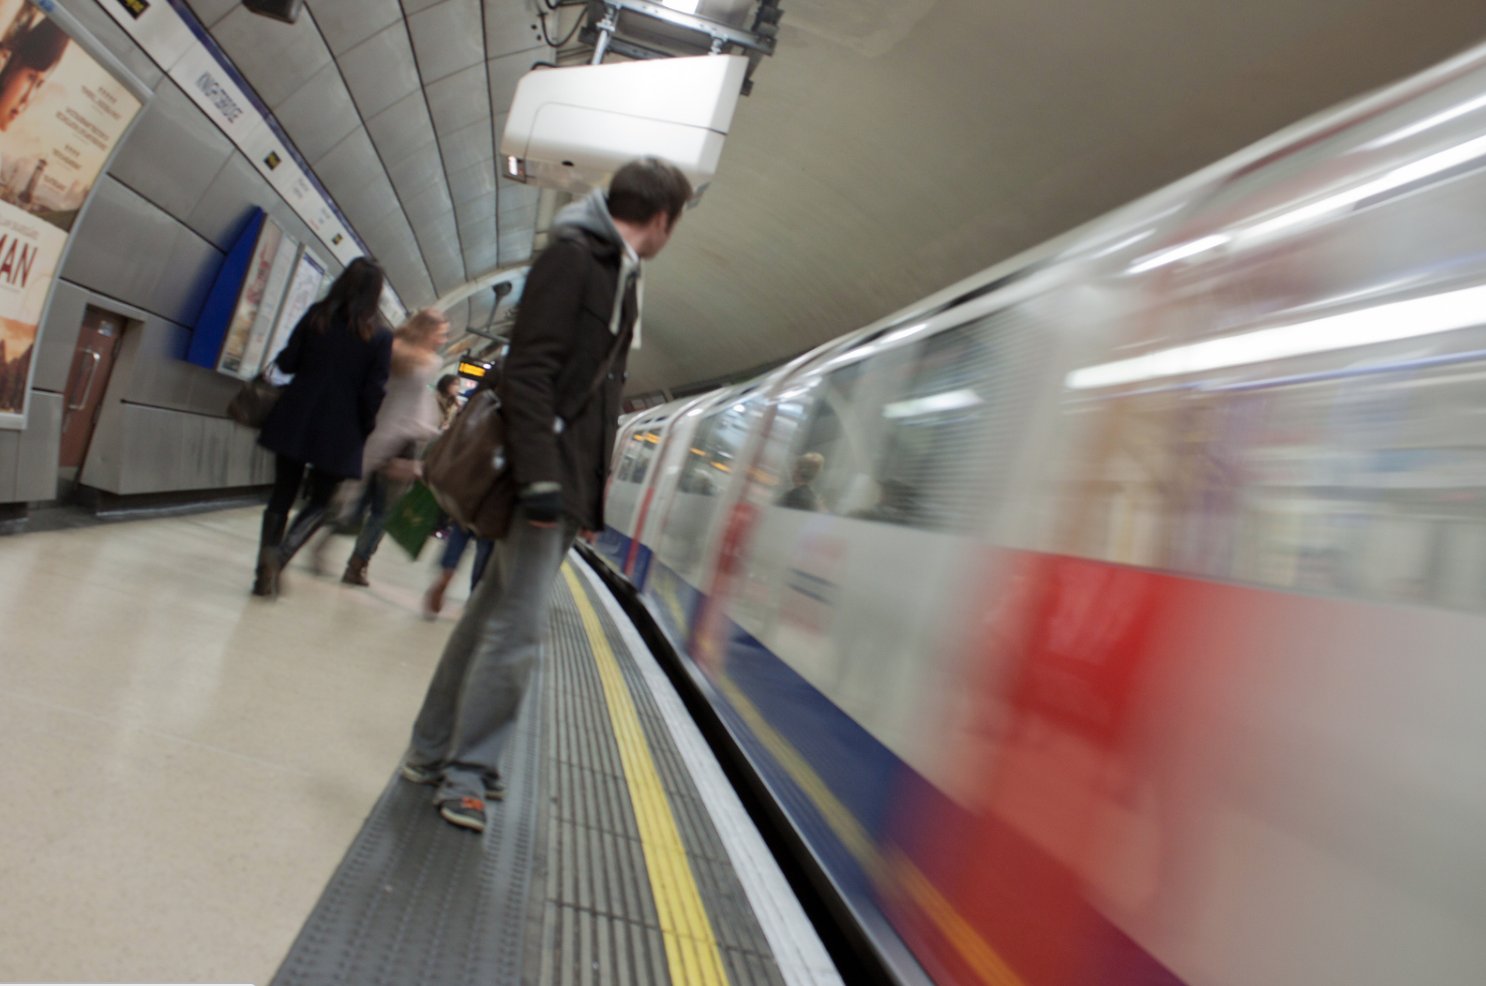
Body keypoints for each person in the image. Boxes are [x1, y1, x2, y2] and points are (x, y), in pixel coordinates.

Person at [402, 158, 692, 832]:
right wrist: (540, 481)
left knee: (488, 619)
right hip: (542, 476)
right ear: (660, 219)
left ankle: (430, 750)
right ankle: (467, 773)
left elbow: (594, 400)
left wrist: (587, 499)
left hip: (562, 480)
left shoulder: (619, 271)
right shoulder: (574, 260)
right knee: (518, 630)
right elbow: (530, 374)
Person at [252, 257, 392, 598]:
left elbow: (288, 361)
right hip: (341, 427)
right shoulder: (380, 336)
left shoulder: (317, 315)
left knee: (281, 496)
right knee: (320, 502)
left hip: (296, 414)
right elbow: (374, 390)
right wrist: (364, 427)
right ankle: (280, 556)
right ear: (375, 294)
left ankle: (261, 577)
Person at [317, 307, 448, 586]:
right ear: (428, 331)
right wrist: (424, 442)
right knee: (381, 511)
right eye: (441, 334)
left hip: (373, 434)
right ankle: (357, 565)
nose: (443, 339)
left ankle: (321, 541)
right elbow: (416, 409)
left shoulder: (391, 346)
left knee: (356, 501)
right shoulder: (429, 363)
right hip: (401, 443)